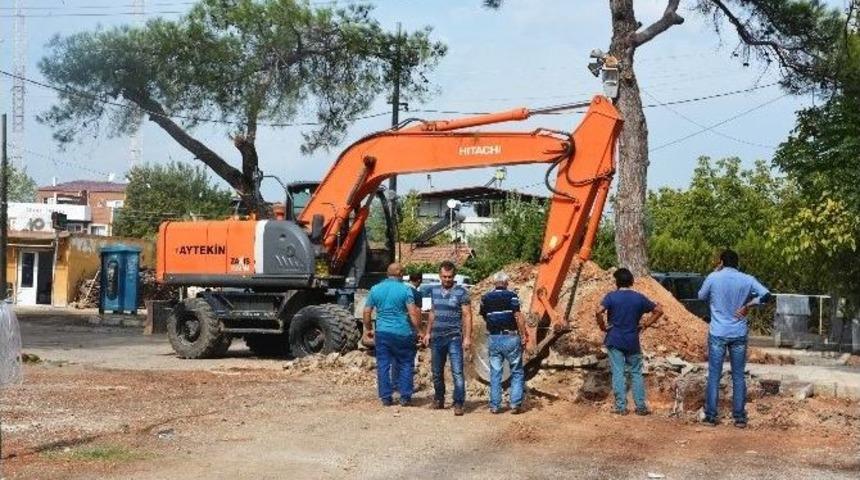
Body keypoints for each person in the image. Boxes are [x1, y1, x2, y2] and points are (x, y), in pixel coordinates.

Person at [698, 249, 771, 428]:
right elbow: (767, 295)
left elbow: (701, 296)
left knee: (714, 375)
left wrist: (714, 273)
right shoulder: (747, 279)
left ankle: (711, 416)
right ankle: (739, 417)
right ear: (737, 263)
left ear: (721, 262)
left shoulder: (713, 277)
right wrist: (749, 305)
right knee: (738, 376)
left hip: (718, 332)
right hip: (738, 333)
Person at [595, 268, 664, 416]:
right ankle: (641, 407)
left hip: (614, 339)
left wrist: (602, 326)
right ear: (631, 281)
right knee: (636, 373)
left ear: (617, 282)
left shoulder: (611, 297)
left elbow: (598, 311)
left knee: (618, 372)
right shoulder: (638, 298)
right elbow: (659, 310)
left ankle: (621, 407)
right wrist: (646, 324)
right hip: (632, 340)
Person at [363, 263, 422, 407]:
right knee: (406, 364)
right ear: (400, 273)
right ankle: (405, 396)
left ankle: (386, 397)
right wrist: (419, 330)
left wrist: (369, 328)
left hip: (382, 333)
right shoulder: (405, 289)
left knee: (383, 365)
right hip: (402, 332)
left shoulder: (375, 289)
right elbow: (413, 313)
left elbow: (366, 312)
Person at [422, 261, 472, 416]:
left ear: (454, 276)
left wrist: (468, 337)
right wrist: (428, 333)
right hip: (436, 338)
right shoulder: (434, 291)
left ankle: (458, 403)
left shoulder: (462, 292)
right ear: (439, 276)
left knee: (457, 372)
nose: (447, 279)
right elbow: (432, 313)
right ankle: (439, 399)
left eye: (450, 277)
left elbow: (467, 315)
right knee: (436, 371)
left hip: (454, 338)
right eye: (444, 276)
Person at [480, 271, 528, 414]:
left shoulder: (486, 298)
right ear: (506, 283)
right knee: (517, 371)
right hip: (511, 338)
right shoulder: (512, 296)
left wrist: (494, 324)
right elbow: (518, 316)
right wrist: (523, 335)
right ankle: (515, 404)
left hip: (494, 338)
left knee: (495, 373)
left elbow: (484, 315)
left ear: (494, 283)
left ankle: (495, 406)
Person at [390, 273, 424, 391]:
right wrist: (420, 330)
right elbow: (417, 312)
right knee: (408, 359)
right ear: (419, 281)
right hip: (409, 328)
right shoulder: (416, 294)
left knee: (395, 358)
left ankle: (394, 383)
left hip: (394, 328)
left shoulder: (399, 291)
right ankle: (406, 385)